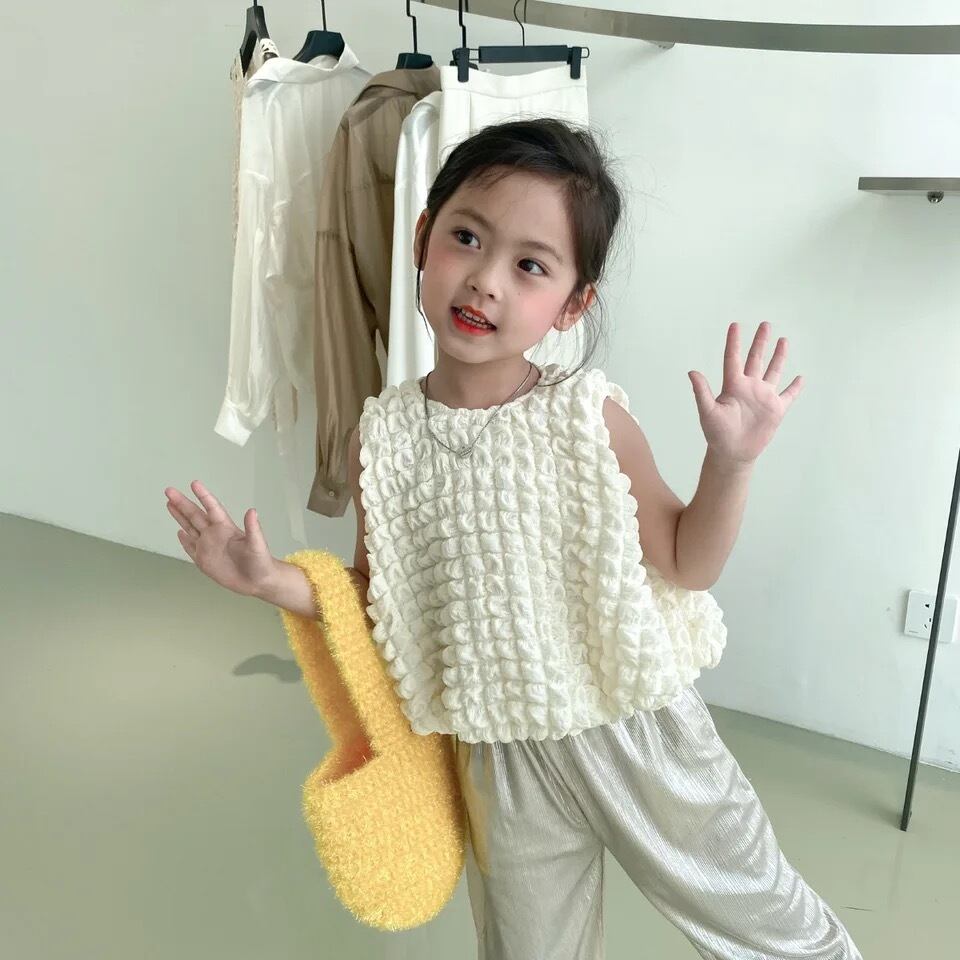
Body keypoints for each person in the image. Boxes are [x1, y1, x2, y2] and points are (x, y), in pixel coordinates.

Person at [165, 118, 862, 959]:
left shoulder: (587, 417)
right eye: (466, 238)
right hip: (499, 758)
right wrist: (273, 580)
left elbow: (689, 561)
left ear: (573, 304)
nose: (485, 280)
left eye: (530, 265)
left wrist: (731, 461)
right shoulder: (382, 438)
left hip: (634, 727)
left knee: (763, 922)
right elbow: (382, 601)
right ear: (423, 238)